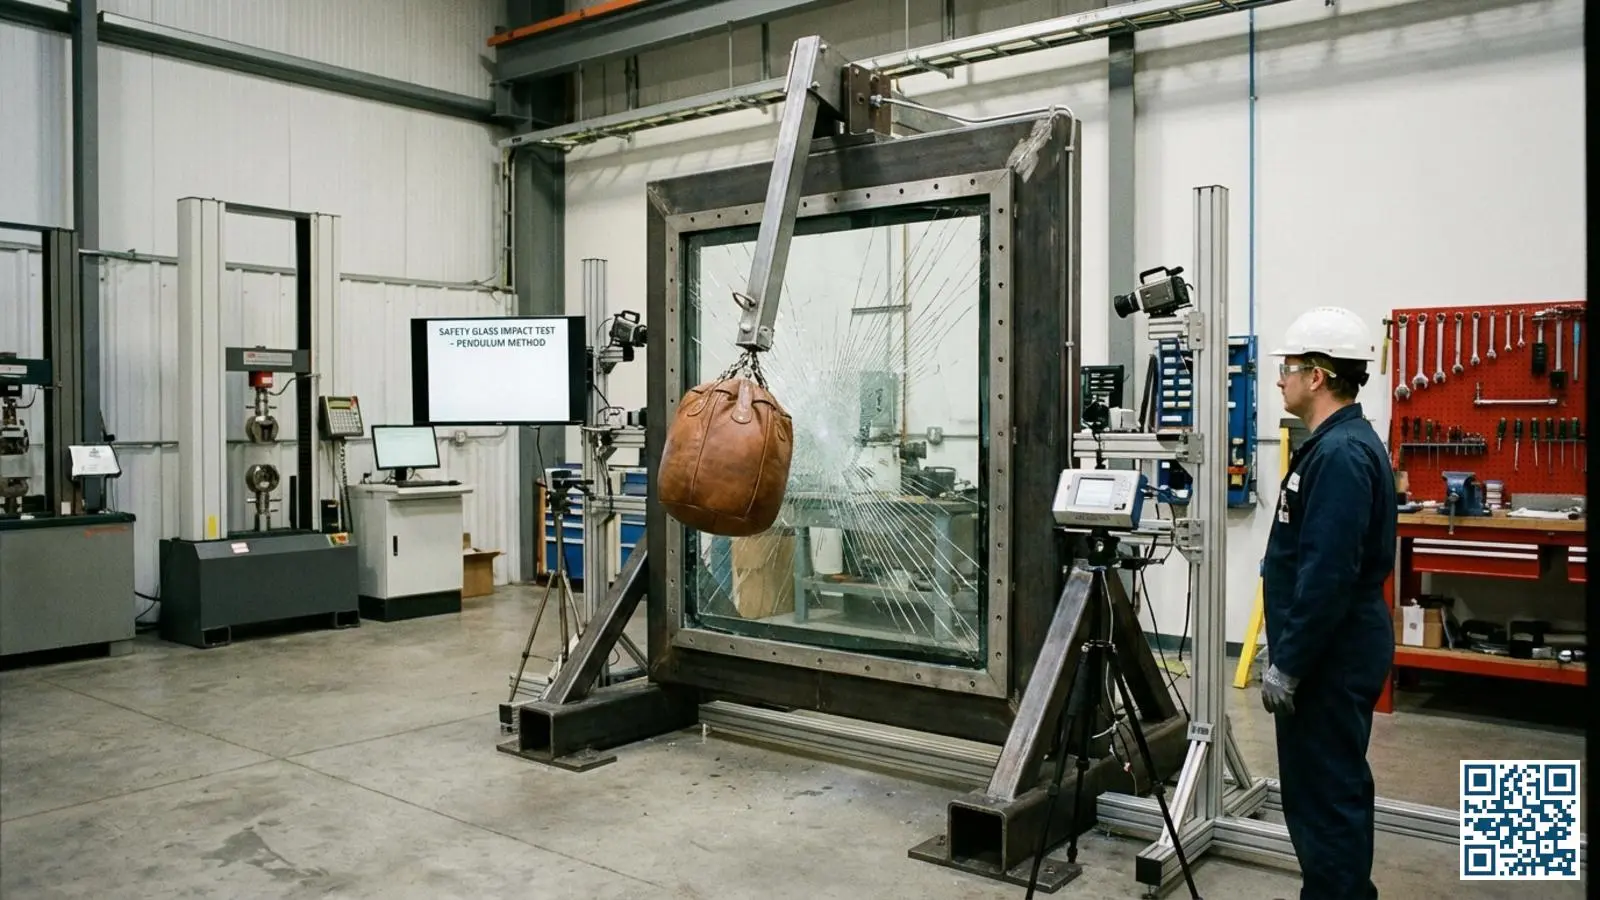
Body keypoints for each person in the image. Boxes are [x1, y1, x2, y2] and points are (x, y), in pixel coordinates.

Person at [1260, 306, 1397, 900]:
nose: (1279, 379)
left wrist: (1290, 663)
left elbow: (1327, 574)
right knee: (1323, 794)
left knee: (1327, 798)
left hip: (1329, 656)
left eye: (1288, 368)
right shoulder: (1336, 445)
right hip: (1329, 647)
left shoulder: (1341, 455)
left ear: (1317, 375)